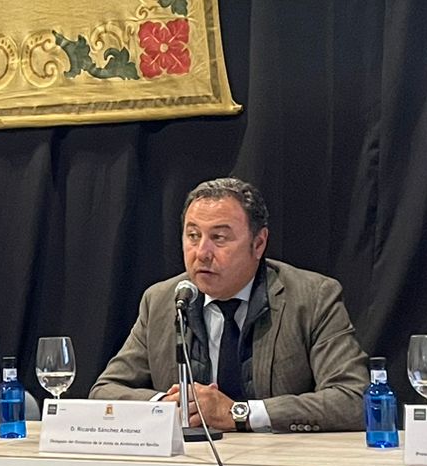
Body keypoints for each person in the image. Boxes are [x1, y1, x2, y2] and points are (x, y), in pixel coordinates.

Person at [91, 177, 368, 433]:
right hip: (187, 463)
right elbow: (104, 391)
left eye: (219, 238)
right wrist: (167, 404)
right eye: (193, 236)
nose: (202, 253)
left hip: (281, 461)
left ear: (258, 244)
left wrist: (239, 413)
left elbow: (355, 399)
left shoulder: (312, 297)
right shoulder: (162, 300)